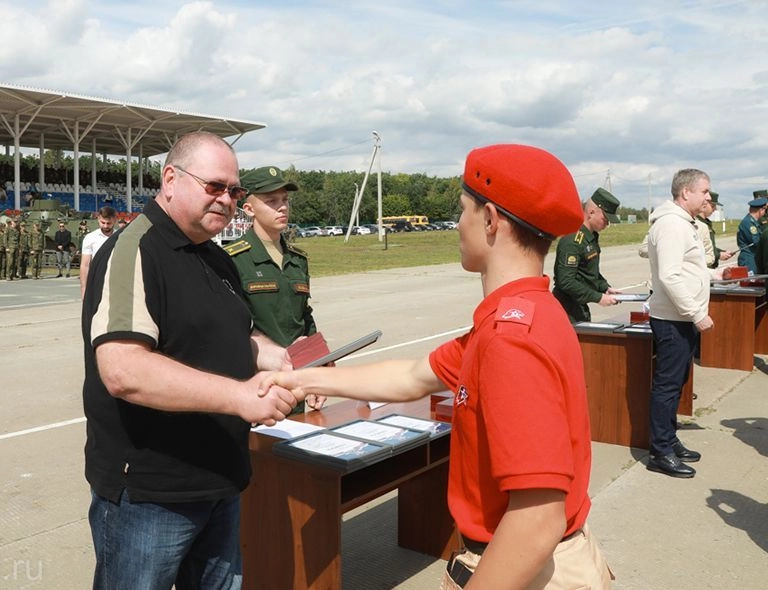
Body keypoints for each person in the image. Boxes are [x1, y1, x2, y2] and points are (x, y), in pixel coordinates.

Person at [265, 144, 613, 589]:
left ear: (489, 220)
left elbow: (537, 520)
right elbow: (413, 376)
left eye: (463, 210)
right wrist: (302, 377)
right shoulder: (523, 313)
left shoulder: (511, 340)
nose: (459, 224)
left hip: (522, 568)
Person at [82, 131, 296, 590]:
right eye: (214, 186)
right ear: (171, 179)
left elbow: (232, 337)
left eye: (235, 191)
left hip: (219, 481)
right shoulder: (133, 250)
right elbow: (123, 369)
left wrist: (279, 358)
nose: (227, 199)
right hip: (151, 497)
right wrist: (239, 397)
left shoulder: (214, 258)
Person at [225, 165, 319, 414]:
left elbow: (305, 318)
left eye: (285, 200)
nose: (282, 207)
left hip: (295, 385)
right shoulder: (232, 260)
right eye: (271, 201)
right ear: (249, 209)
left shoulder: (298, 259)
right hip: (256, 388)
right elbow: (230, 328)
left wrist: (318, 370)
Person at [645, 169, 714, 478]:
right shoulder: (672, 224)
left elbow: (690, 270)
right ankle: (660, 451)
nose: (709, 197)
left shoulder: (685, 223)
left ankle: (669, 440)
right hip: (674, 319)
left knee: (676, 385)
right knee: (667, 387)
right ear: (686, 193)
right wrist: (696, 313)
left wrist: (716, 275)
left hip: (680, 318)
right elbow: (669, 275)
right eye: (705, 192)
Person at [552, 188, 622, 322]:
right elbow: (566, 281)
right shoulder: (573, 240)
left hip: (578, 308)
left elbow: (588, 273)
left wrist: (605, 288)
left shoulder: (590, 238)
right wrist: (598, 298)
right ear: (591, 212)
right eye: (605, 219)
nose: (607, 224)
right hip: (566, 311)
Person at [79, 206, 117, 296]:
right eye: (102, 222)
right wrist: (84, 289)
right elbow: (85, 265)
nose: (105, 226)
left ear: (115, 220)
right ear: (98, 218)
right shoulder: (90, 238)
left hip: (116, 281)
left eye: (109, 223)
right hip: (97, 280)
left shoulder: (121, 237)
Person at [698, 191, 732, 269]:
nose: (715, 209)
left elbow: (709, 246)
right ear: (704, 204)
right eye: (713, 206)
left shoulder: (706, 222)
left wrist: (721, 252)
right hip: (703, 267)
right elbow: (700, 248)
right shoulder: (697, 223)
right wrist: (719, 255)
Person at [735, 194, 767, 273]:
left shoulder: (754, 222)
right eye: (765, 210)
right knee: (751, 283)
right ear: (761, 210)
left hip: (754, 257)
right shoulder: (748, 223)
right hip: (749, 260)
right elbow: (757, 242)